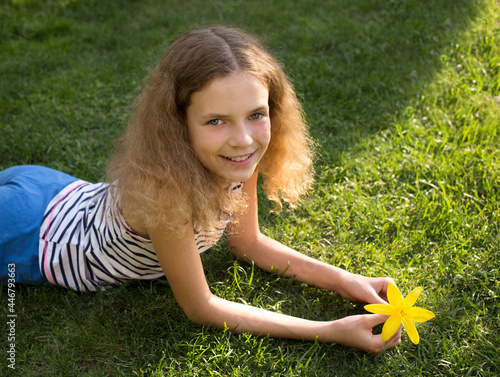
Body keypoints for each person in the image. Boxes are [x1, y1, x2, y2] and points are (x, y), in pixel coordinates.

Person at [0, 26, 401, 354]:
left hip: (59, 191)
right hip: (30, 233)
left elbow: (250, 244)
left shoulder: (235, 158)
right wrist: (330, 329)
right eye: (216, 121)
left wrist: (346, 281)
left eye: (256, 115)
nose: (243, 139)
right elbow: (201, 307)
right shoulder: (167, 193)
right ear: (178, 124)